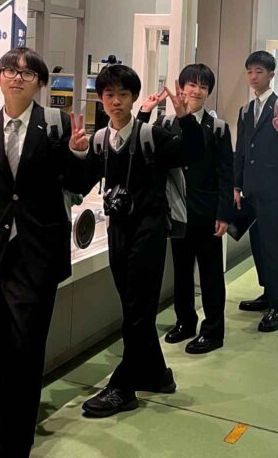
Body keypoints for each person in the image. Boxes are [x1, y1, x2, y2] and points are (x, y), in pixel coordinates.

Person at [0, 47, 82, 458]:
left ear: (40, 84)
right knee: (1, 347)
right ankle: (12, 427)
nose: (17, 77)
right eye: (10, 71)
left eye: (28, 73)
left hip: (40, 250)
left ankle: (14, 440)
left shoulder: (56, 125)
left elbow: (77, 183)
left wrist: (79, 154)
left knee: (27, 347)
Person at [68, 64, 205, 417]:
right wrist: (76, 152)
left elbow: (192, 154)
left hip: (149, 231)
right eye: (109, 95)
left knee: (138, 311)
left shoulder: (151, 135)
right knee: (134, 308)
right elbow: (80, 183)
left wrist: (186, 119)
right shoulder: (101, 140)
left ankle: (123, 387)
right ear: (100, 99)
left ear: (134, 99)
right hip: (118, 232)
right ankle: (157, 374)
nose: (116, 101)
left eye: (123, 95)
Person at [138, 63, 233, 355]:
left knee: (211, 273)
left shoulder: (218, 127)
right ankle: (185, 322)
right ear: (181, 87)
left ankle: (213, 331)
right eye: (192, 84)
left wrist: (224, 213)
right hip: (177, 211)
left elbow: (225, 173)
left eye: (203, 86)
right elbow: (142, 146)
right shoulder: (166, 124)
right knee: (180, 270)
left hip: (207, 211)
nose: (197, 91)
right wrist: (144, 112)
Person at [234, 51, 278, 333]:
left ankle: (277, 304)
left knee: (272, 243)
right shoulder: (246, 110)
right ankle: (267, 292)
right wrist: (237, 185)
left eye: (259, 71)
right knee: (258, 244)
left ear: (271, 75)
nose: (253, 77)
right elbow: (241, 150)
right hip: (251, 188)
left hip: (272, 188)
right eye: (250, 71)